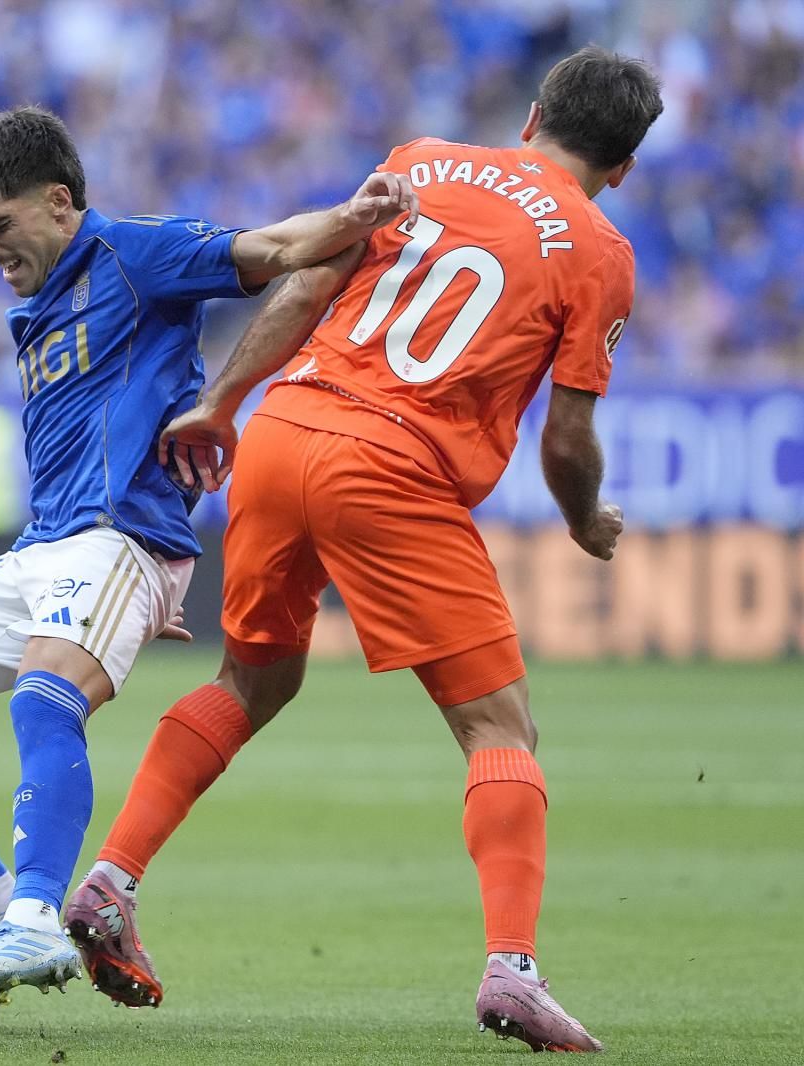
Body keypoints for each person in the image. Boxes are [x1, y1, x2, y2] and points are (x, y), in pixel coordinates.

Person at [63, 47, 663, 1054]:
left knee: (251, 680)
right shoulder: (599, 250)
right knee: (497, 726)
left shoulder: (421, 161)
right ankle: (511, 969)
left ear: (530, 116)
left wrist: (221, 399)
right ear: (626, 164)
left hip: (287, 432)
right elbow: (565, 438)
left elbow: (302, 289)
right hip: (393, 466)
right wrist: (583, 518)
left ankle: (111, 878)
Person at [0, 105, 416, 1031]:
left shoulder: (134, 255)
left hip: (116, 543)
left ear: (60, 203)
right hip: (48, 548)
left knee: (43, 698)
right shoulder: (38, 309)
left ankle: (33, 918)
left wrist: (356, 214)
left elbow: (279, 248)